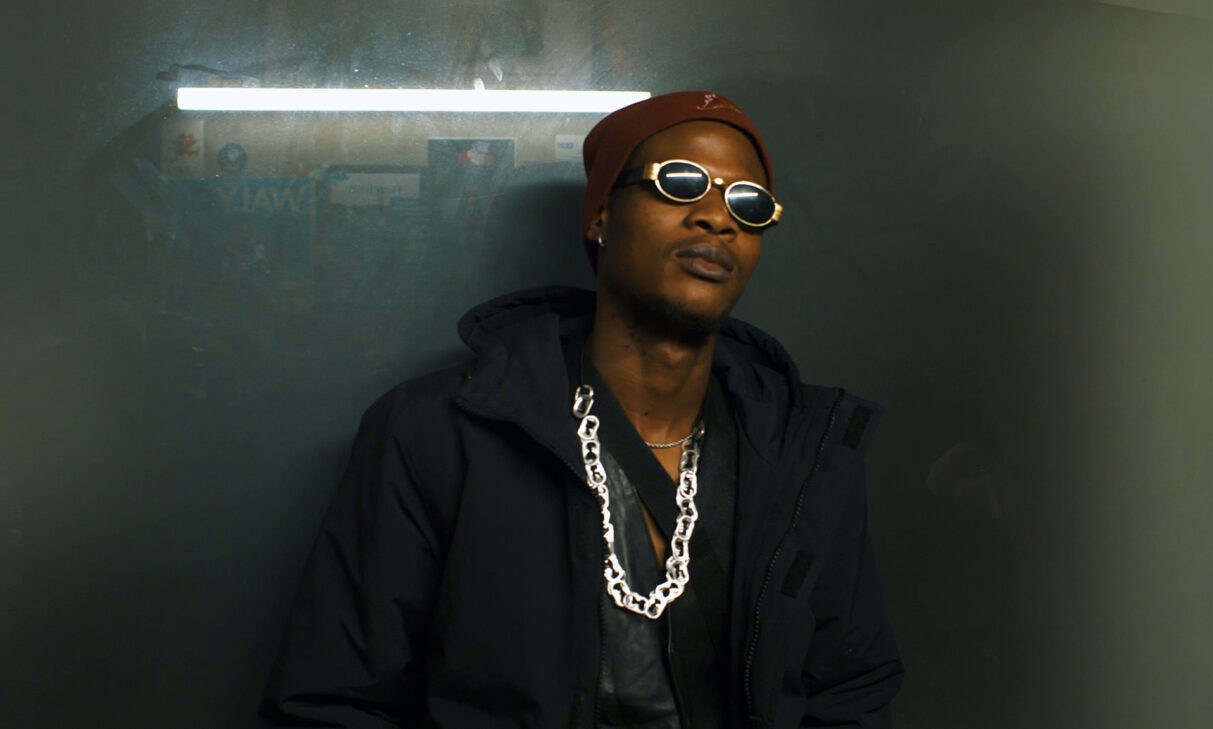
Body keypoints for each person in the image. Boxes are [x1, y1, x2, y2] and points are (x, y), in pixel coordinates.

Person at [261, 90, 903, 729]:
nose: (717, 217)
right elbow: (332, 702)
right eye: (680, 182)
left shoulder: (804, 451)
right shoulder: (436, 434)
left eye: (749, 202)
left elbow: (849, 693)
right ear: (600, 214)